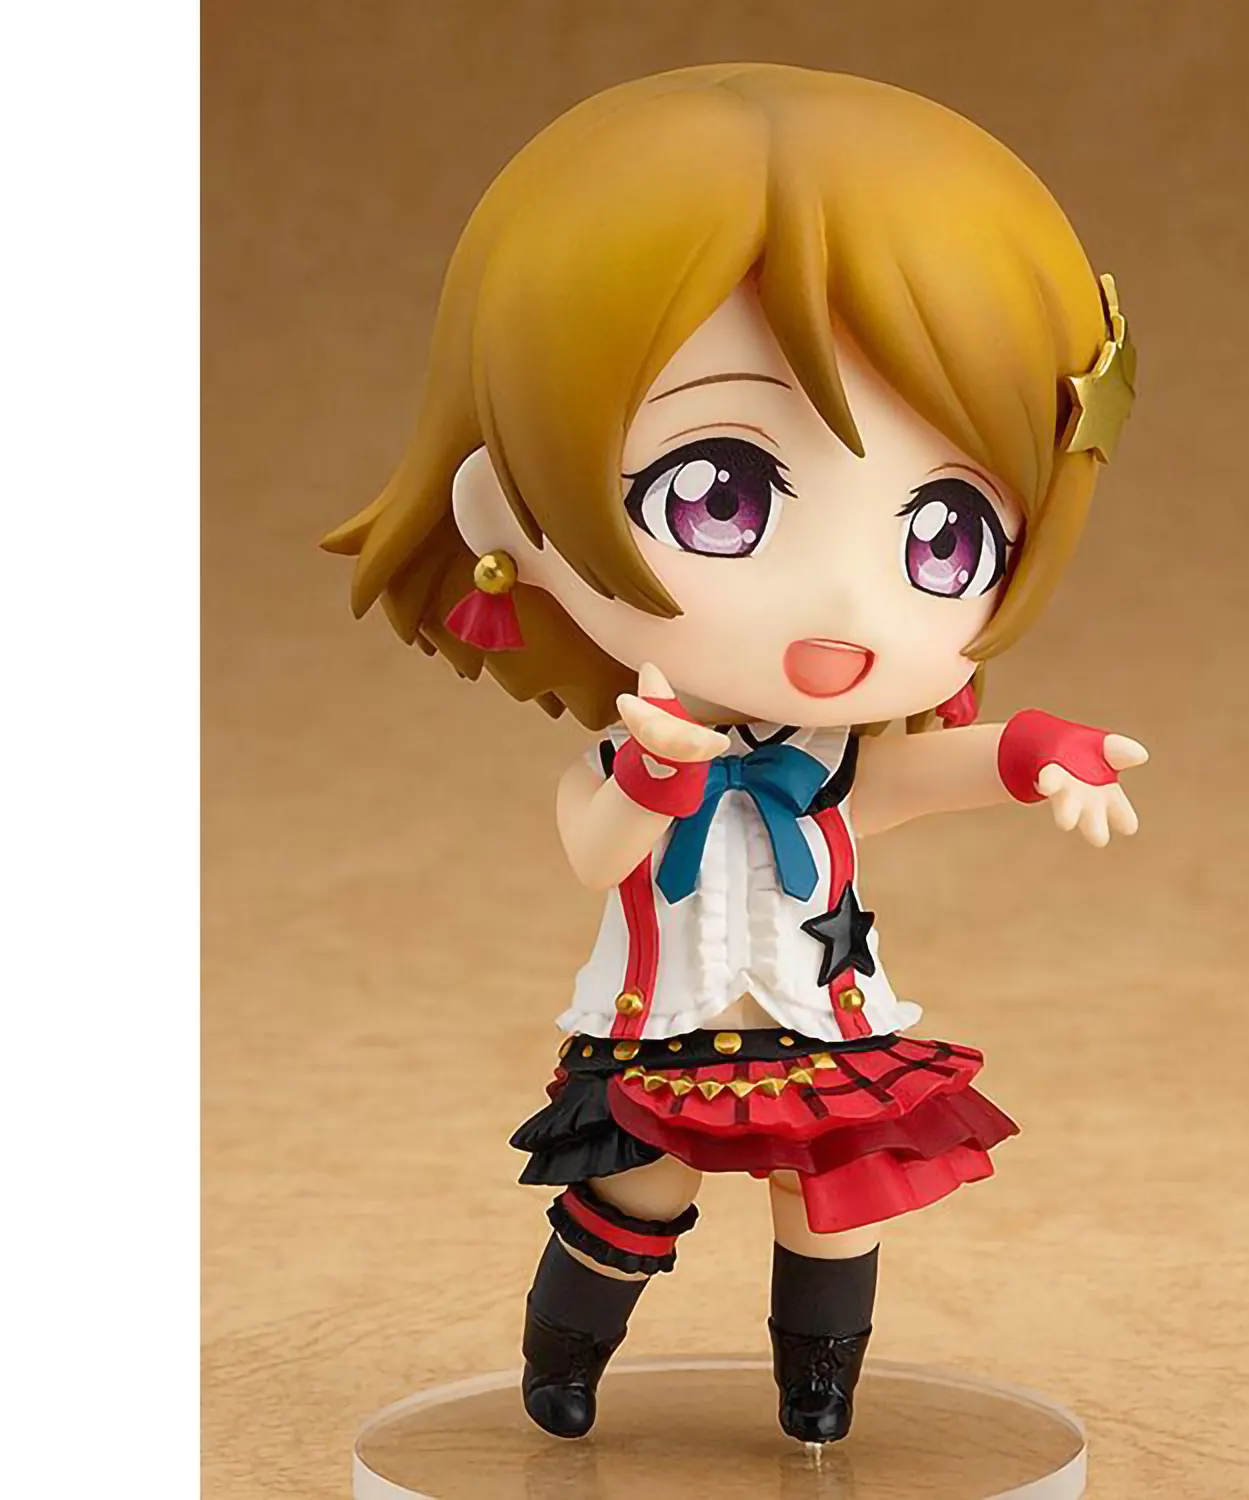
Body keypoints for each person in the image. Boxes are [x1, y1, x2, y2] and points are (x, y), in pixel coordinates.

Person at [323, 62, 1146, 1446]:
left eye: (945, 533)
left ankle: (817, 1389)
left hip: (824, 1024)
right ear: (508, 518)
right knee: (637, 1188)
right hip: (665, 1028)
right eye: (722, 496)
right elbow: (594, 844)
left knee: (833, 1204)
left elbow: (916, 778)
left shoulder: (830, 762)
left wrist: (1037, 751)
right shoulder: (635, 749)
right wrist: (655, 770)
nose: (844, 609)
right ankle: (564, 1363)